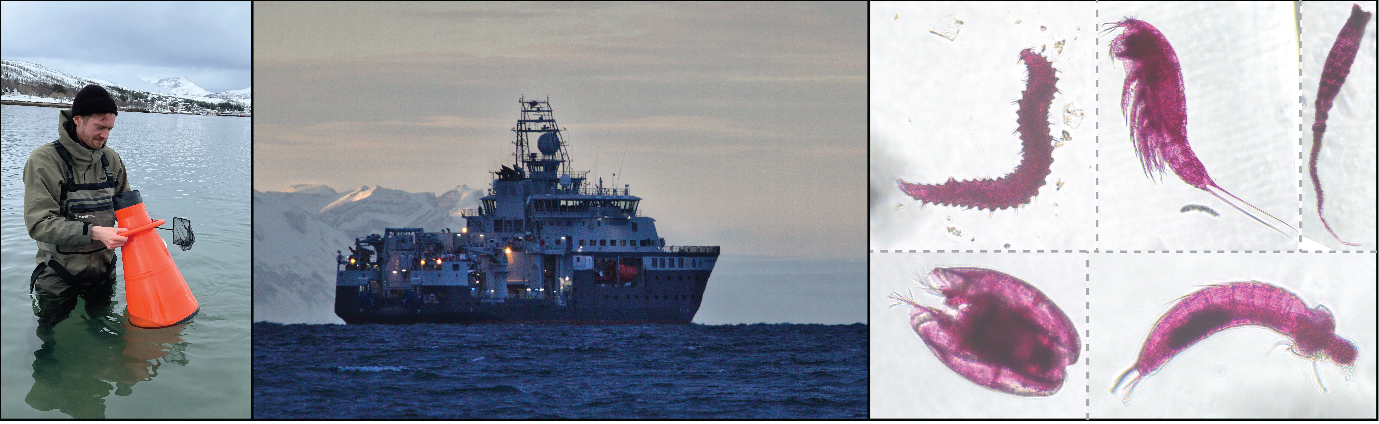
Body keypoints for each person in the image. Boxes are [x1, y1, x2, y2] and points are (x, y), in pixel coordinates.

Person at [23, 84, 130, 330]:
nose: (106, 135)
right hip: (58, 278)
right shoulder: (44, 160)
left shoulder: (111, 160)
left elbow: (127, 208)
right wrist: (95, 232)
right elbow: (39, 224)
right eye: (100, 127)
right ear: (78, 120)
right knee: (49, 347)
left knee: (101, 336)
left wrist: (147, 233)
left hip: (104, 273)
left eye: (110, 129)